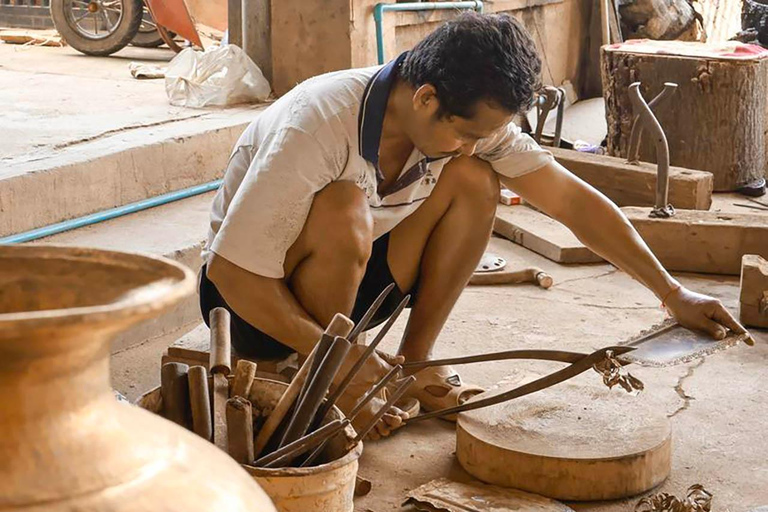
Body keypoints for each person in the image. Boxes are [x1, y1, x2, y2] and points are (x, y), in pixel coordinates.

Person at [199, 12, 746, 440]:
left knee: (475, 180)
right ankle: (319, 374)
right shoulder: (317, 122)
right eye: (464, 132)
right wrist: (338, 357)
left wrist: (671, 293)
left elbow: (572, 203)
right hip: (251, 305)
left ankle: (412, 360)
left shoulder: (468, 126)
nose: (471, 143)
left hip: (350, 281)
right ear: (425, 97)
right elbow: (231, 271)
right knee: (345, 206)